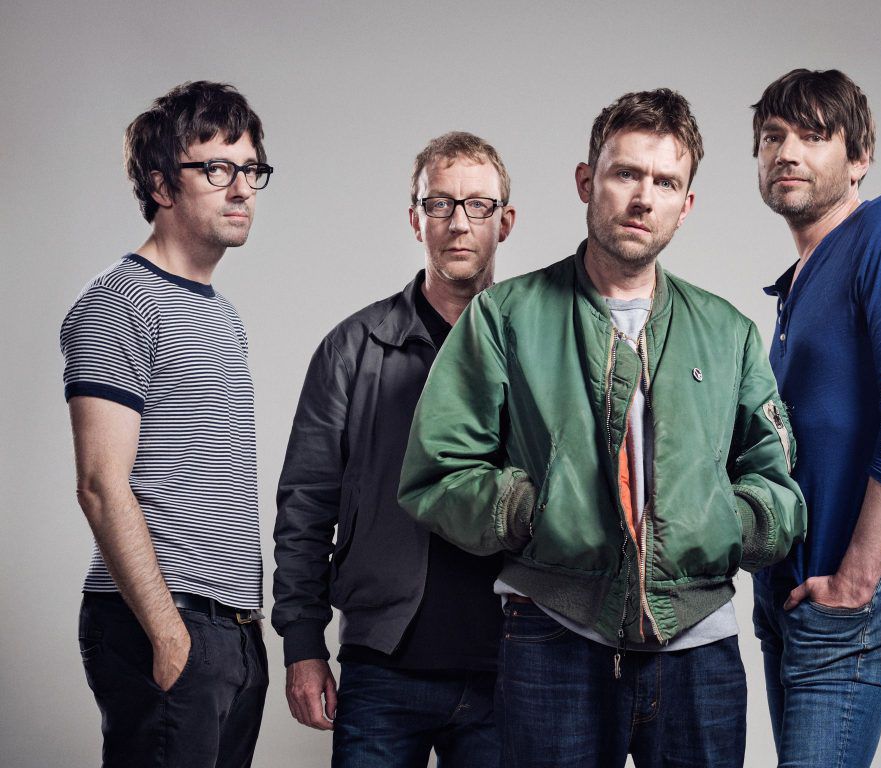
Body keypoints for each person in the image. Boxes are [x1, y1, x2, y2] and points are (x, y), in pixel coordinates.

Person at [399, 90, 805, 768]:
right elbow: (436, 470)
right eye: (626, 174)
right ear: (587, 181)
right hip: (551, 636)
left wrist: (720, 521)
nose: (644, 198)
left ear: (686, 204)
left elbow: (779, 486)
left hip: (699, 645)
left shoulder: (728, 333)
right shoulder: (505, 317)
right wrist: (532, 511)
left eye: (665, 182)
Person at [272, 131, 516, 767]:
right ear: (416, 219)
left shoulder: (537, 348)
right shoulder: (354, 348)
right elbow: (306, 503)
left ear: (505, 221)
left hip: (513, 663)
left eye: (478, 205)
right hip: (383, 663)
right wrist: (303, 642)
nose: (458, 223)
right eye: (440, 204)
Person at [60, 81, 273, 768]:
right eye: (217, 168)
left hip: (231, 628)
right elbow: (100, 484)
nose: (241, 189)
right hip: (167, 618)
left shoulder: (221, 314)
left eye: (251, 169)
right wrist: (167, 632)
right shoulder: (118, 302)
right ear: (160, 185)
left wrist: (239, 633)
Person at [750, 68, 881, 767]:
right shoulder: (796, 286)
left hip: (855, 602)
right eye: (772, 136)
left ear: (860, 156)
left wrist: (857, 581)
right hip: (794, 598)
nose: (786, 152)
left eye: (813, 136)